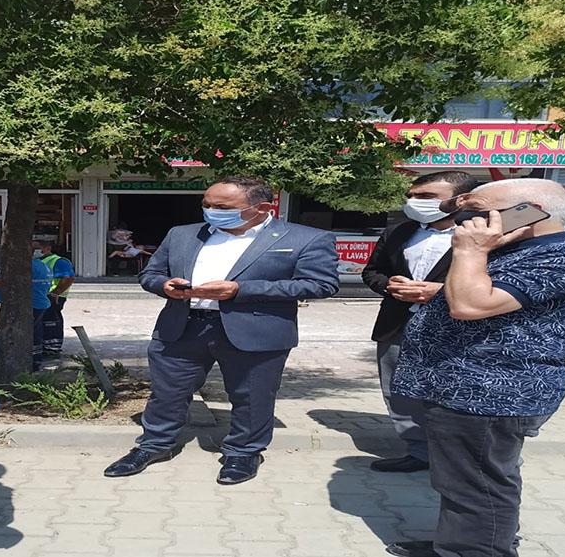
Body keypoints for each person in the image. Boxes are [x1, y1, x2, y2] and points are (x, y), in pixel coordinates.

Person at [385, 179, 565, 557]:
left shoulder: (564, 256)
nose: (465, 220)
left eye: (478, 210)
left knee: (477, 483)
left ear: (529, 213)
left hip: (491, 393)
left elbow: (470, 305)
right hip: (466, 388)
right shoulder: (517, 249)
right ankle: (463, 541)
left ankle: (477, 550)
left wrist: (469, 250)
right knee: (466, 480)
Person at [104, 177, 339, 484]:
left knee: (252, 396)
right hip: (183, 326)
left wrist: (240, 290)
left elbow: (320, 284)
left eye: (223, 207)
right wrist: (164, 285)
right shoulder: (182, 234)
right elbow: (151, 273)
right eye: (207, 204)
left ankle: (243, 453)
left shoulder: (305, 238)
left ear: (262, 208)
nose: (211, 210)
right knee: (167, 393)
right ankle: (153, 445)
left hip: (256, 330)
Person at [362, 171, 479, 473]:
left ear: (461, 199)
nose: (414, 202)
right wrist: (389, 286)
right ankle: (419, 451)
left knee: (455, 390)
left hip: (458, 328)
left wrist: (442, 292)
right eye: (411, 196)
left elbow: (499, 281)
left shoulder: (486, 234)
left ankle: (461, 456)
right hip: (397, 324)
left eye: (426, 197)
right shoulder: (398, 232)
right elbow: (373, 271)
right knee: (398, 390)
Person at [33, 240, 75, 356]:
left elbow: (69, 278)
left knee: (51, 321)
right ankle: (45, 346)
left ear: (47, 248)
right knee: (42, 321)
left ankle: (52, 347)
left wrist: (55, 293)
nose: (34, 251)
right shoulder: (37, 261)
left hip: (53, 296)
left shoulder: (59, 261)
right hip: (41, 295)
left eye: (37, 248)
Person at [32, 247, 53, 370]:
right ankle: (37, 359)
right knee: (36, 330)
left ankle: (34, 360)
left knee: (32, 332)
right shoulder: (44, 265)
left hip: (32, 302)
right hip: (42, 302)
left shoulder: (28, 266)